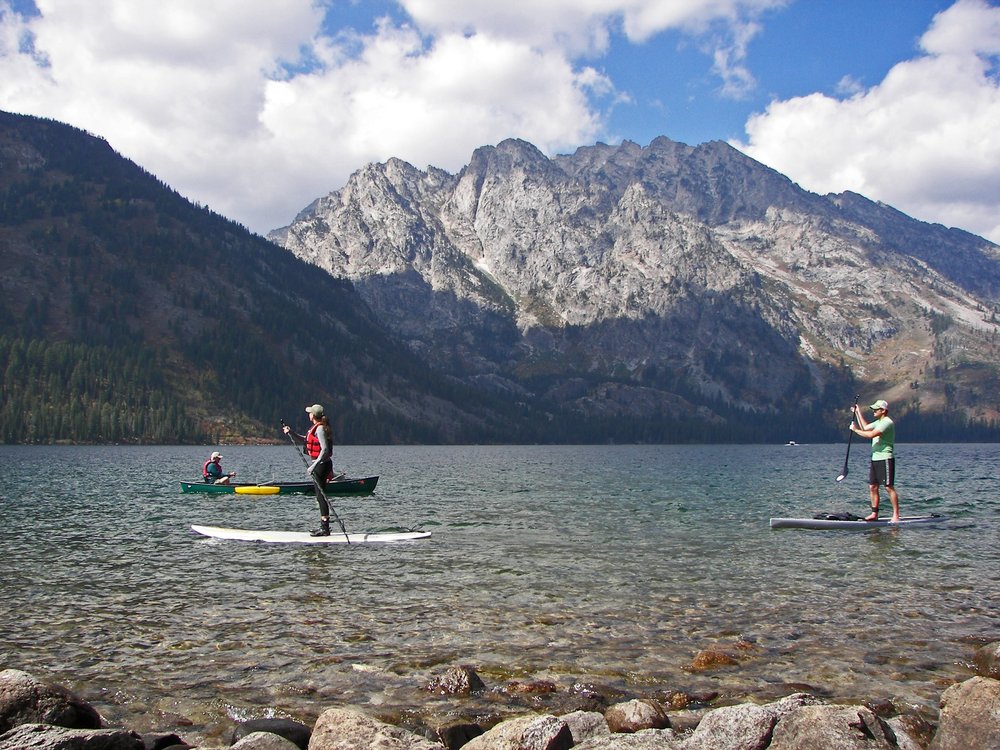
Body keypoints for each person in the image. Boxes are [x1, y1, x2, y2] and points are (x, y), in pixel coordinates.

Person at [283, 404, 334, 536]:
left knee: (320, 496)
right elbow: (305, 440)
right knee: (319, 496)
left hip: (321, 465)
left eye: (310, 412)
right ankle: (324, 526)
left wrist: (314, 465)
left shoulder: (320, 429)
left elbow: (324, 449)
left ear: (313, 415)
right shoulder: (316, 428)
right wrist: (291, 432)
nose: (308, 414)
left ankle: (325, 528)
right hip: (320, 465)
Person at [849, 398, 900, 523]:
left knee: (888, 487)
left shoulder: (887, 422)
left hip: (885, 458)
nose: (873, 411)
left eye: (876, 409)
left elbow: (871, 435)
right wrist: (857, 412)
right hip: (875, 458)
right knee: (873, 486)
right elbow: (865, 427)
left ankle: (896, 515)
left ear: (883, 411)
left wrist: (855, 430)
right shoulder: (878, 422)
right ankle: (874, 514)